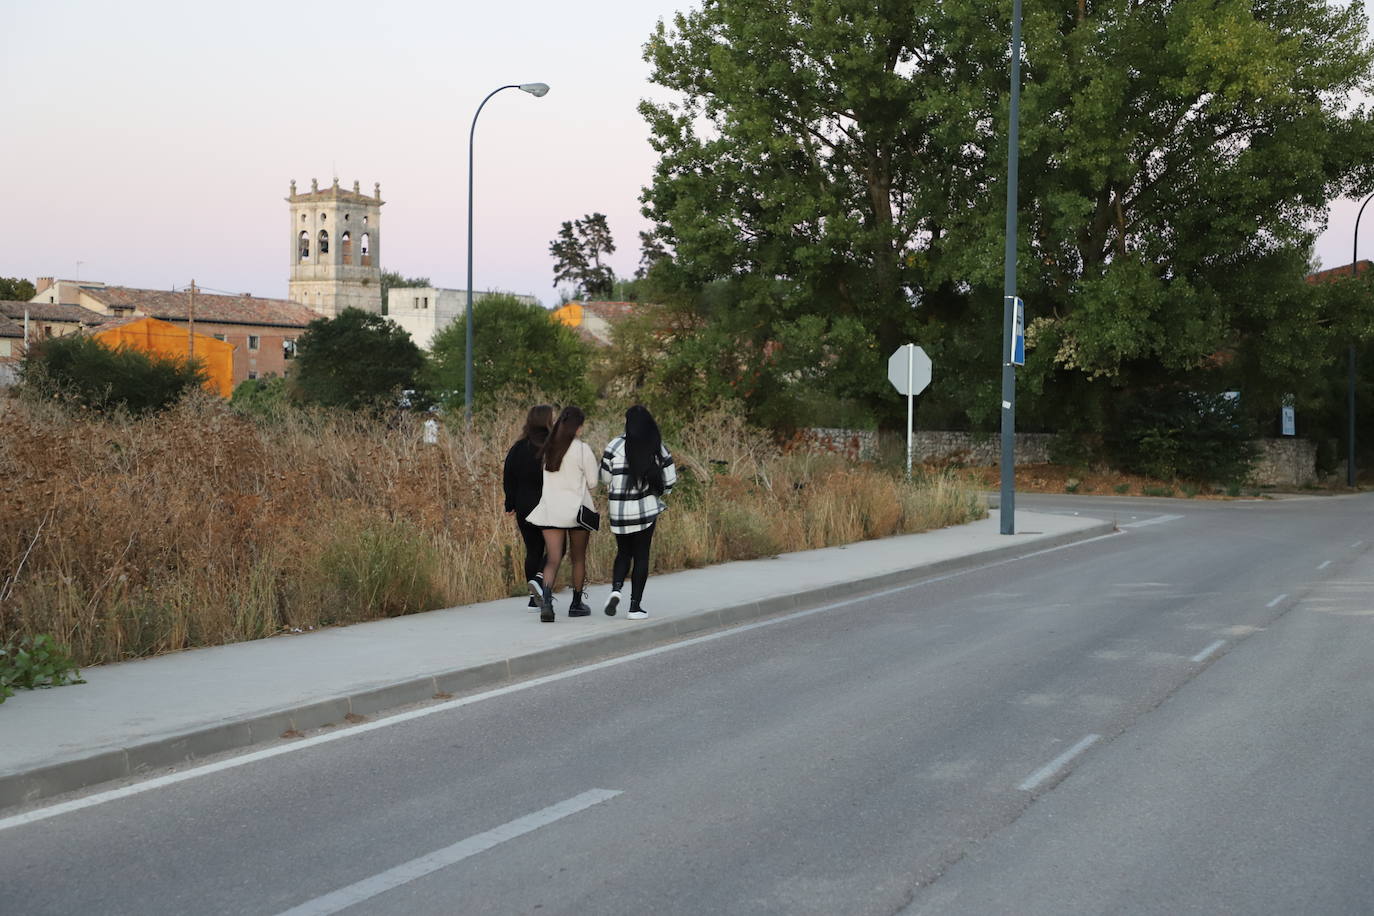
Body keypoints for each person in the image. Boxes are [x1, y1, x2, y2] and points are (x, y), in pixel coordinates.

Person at [600, 405, 676, 620]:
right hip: (646, 512)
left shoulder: (614, 445)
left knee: (623, 552)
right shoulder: (658, 448)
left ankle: (616, 590)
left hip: (619, 512)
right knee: (641, 556)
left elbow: (605, 478)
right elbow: (669, 483)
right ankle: (635, 607)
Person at [525, 406, 599, 622]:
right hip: (577, 512)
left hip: (551, 511)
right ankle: (576, 604)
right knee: (578, 559)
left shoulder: (548, 448)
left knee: (553, 559)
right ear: (578, 428)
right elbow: (593, 482)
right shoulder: (583, 449)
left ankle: (546, 602)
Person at [503, 404, 555, 610]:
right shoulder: (553, 448)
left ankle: (533, 598)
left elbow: (508, 476)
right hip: (548, 504)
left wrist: (510, 504)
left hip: (524, 505)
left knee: (533, 550)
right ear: (548, 421)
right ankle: (540, 580)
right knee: (556, 548)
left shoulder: (518, 448)